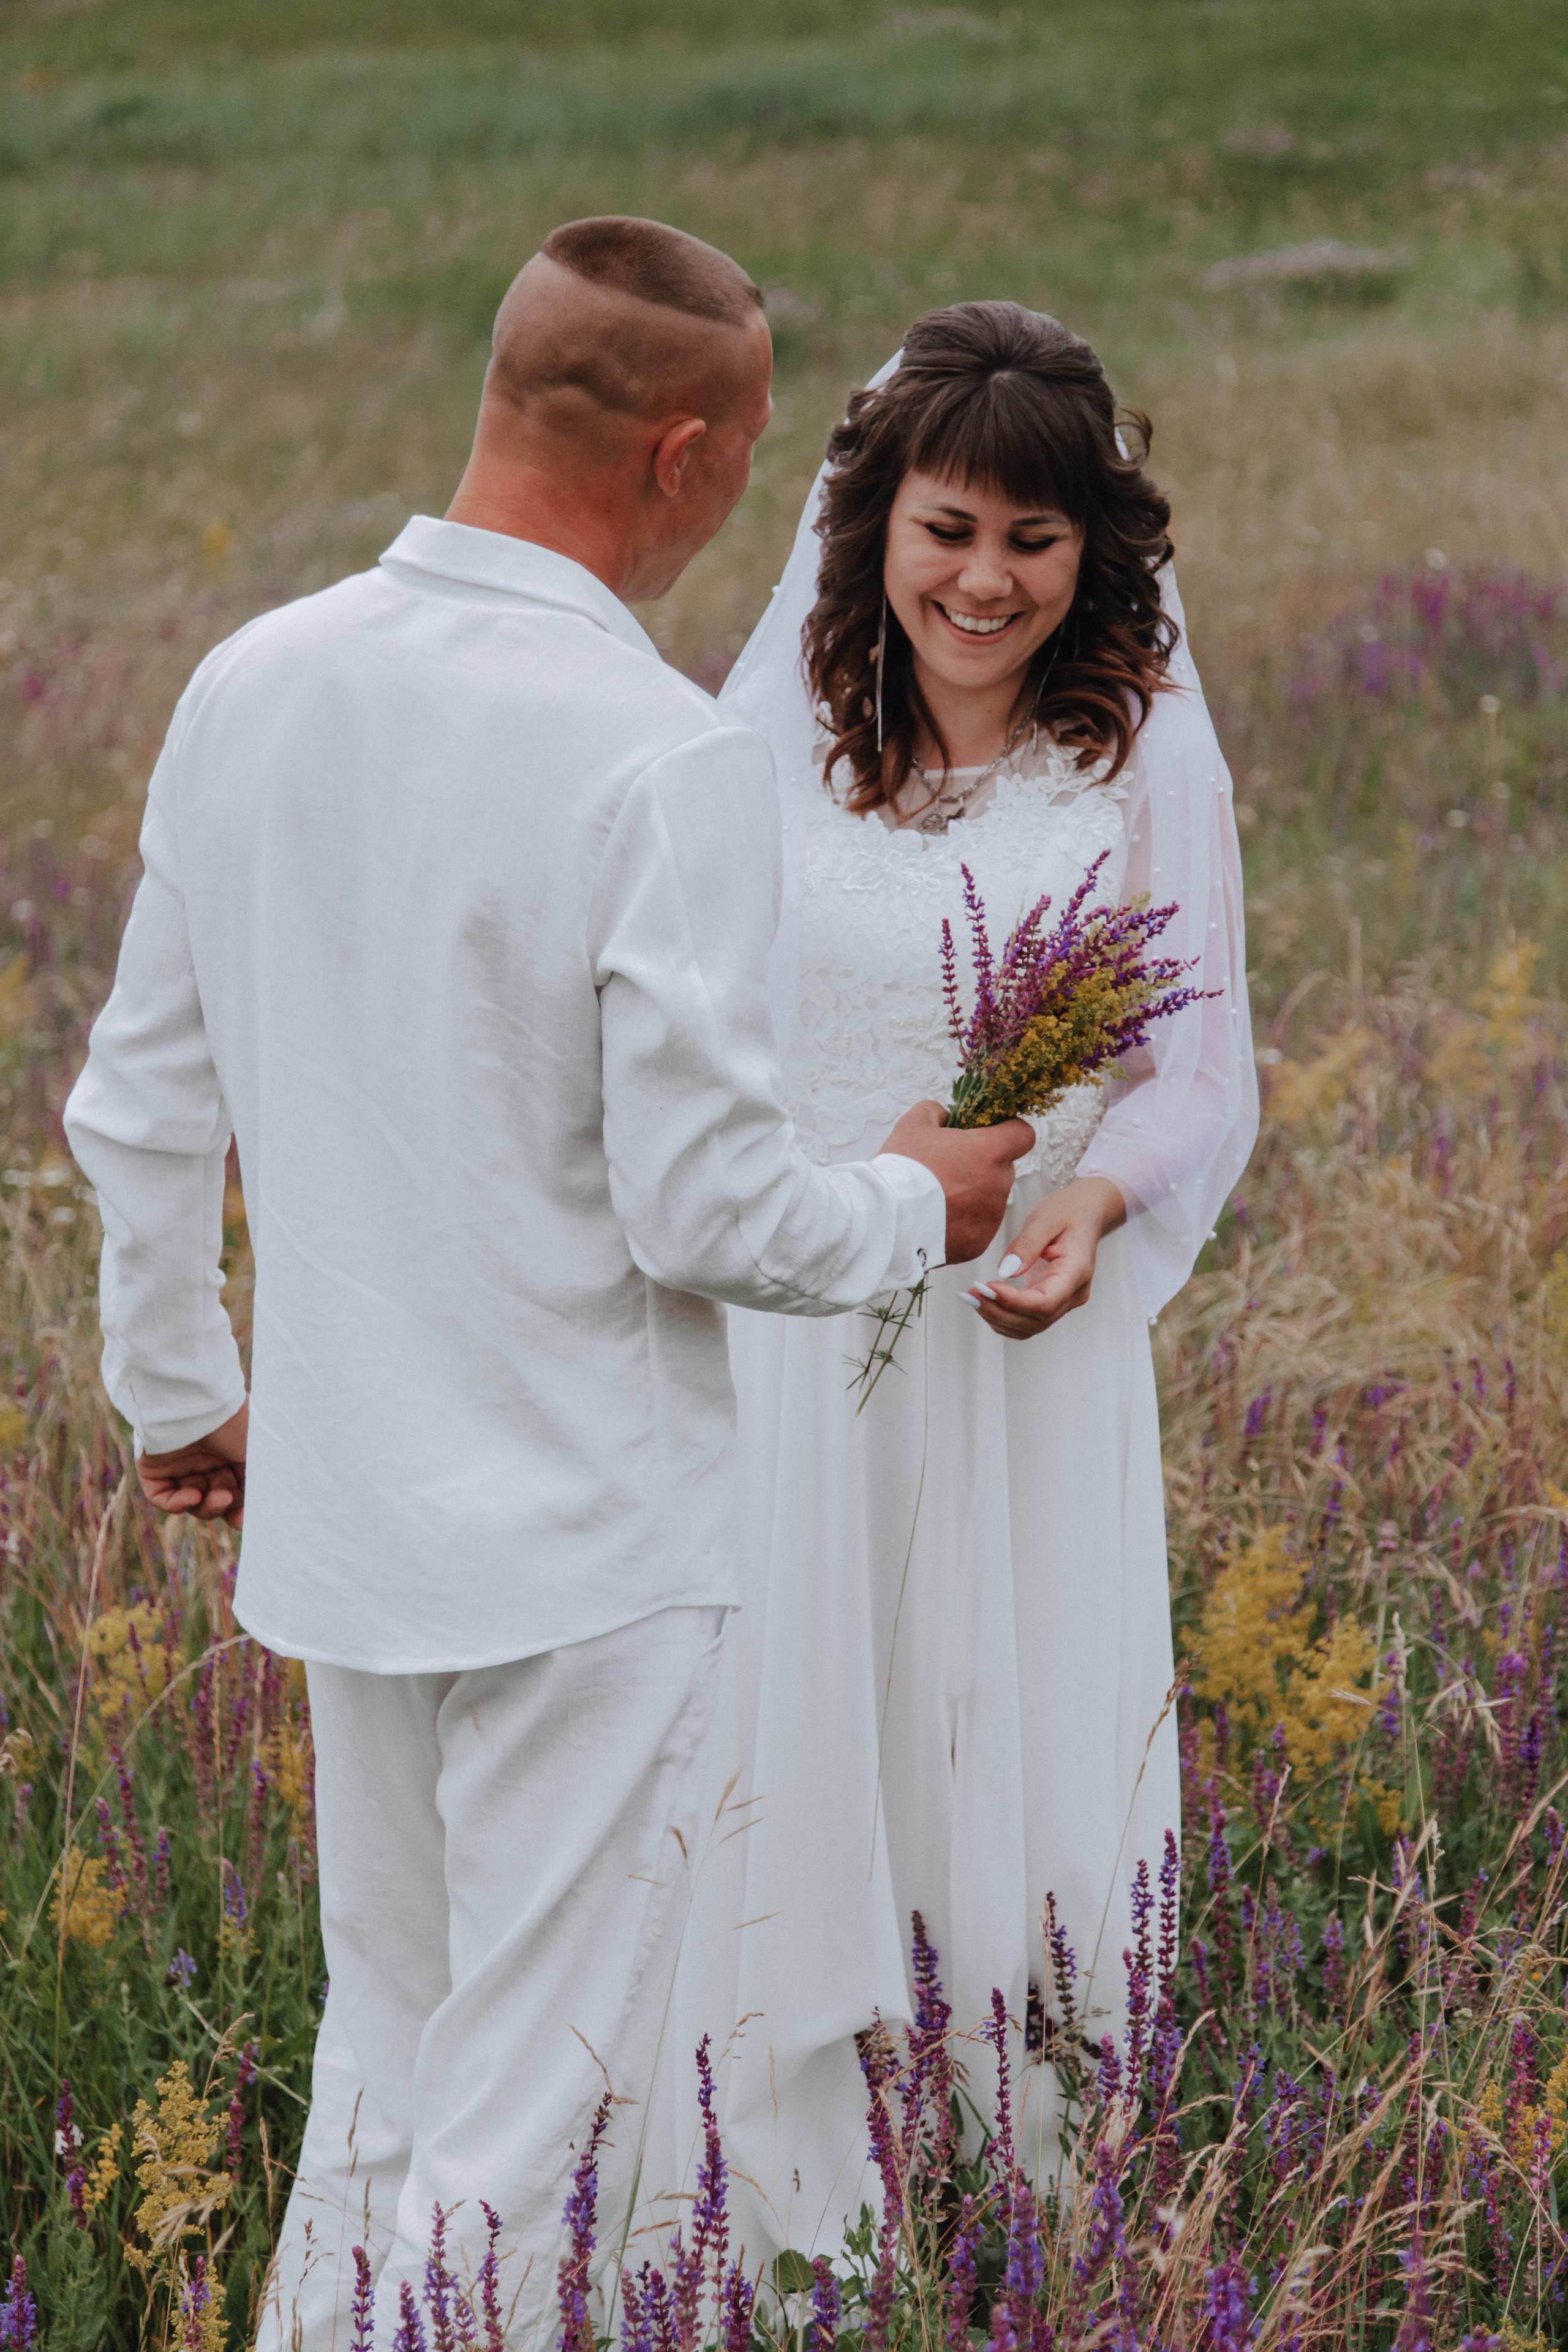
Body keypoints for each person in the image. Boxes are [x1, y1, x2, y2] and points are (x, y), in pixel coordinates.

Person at [62, 225, 1033, 2350]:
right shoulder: (656, 751)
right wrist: (910, 1203)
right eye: (753, 454)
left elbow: (135, 1112)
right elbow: (706, 1215)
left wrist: (179, 1395)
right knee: (521, 2130)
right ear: (681, 455)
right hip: (588, 1554)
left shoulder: (257, 679)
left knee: (390, 2076)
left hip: (345, 1524)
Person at [652, 302, 1258, 2261]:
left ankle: (1010, 2179)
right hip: (803, 1330)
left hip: (1028, 1346)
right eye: (948, 531)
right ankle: (786, 2164)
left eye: (1033, 543)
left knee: (1007, 1722)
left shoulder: (1141, 735)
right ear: (874, 528)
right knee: (792, 1713)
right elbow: (697, 1049)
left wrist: (1094, 1212)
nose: (984, 582)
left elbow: (1202, 1067)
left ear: (1095, 557)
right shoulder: (773, 741)